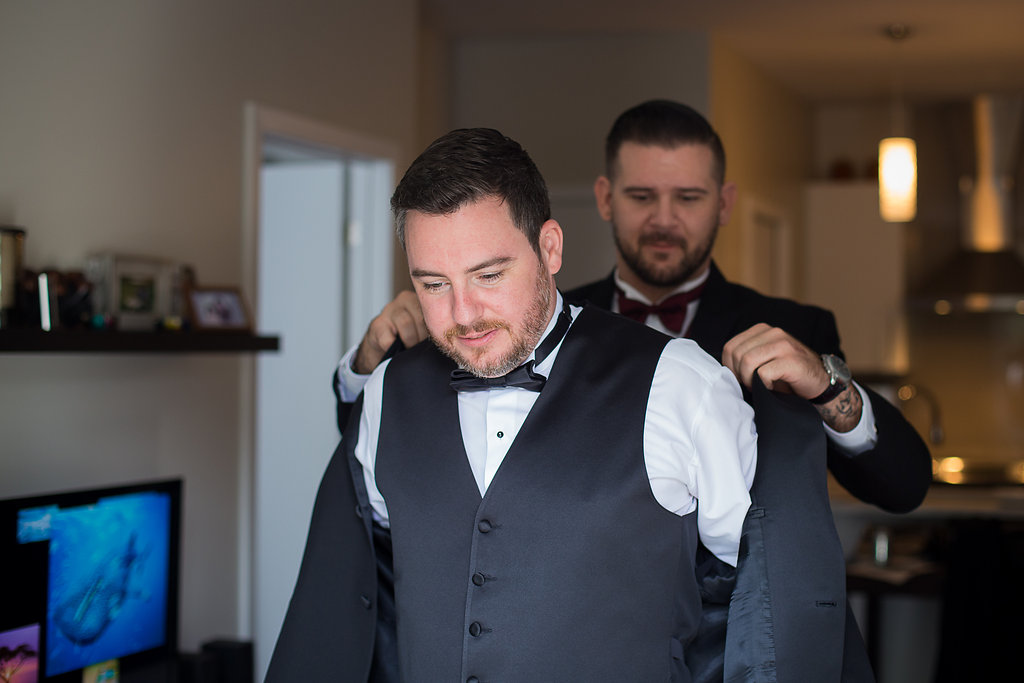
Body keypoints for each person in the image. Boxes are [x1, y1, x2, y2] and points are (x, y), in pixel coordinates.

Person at [271, 127, 758, 681]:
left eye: (489, 275)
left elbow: (756, 590)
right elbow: (364, 586)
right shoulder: (387, 392)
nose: (464, 313)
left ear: (549, 248)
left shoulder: (683, 384)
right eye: (433, 285)